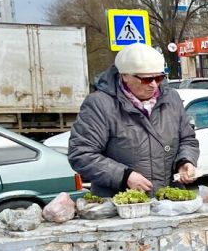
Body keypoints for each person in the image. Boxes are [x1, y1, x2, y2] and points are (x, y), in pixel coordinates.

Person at [68, 43, 198, 197]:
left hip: (167, 203)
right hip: (120, 206)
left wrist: (185, 162)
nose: (154, 85)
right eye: (146, 79)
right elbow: (81, 154)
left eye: (159, 78)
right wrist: (124, 176)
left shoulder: (172, 98)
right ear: (125, 76)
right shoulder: (100, 104)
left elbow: (187, 139)